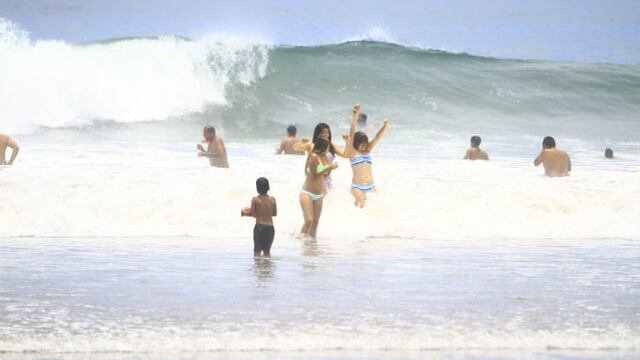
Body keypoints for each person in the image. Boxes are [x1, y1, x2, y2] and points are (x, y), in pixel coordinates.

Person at [345, 104, 389, 208]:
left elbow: (377, 137)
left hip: (371, 186)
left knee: (375, 210)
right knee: (361, 206)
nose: (365, 145)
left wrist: (385, 126)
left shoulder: (368, 150)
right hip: (357, 187)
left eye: (366, 142)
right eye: (362, 143)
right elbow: (351, 131)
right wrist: (355, 113)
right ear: (356, 143)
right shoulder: (353, 152)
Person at [299, 138, 338, 239]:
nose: (328, 149)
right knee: (308, 220)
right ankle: (301, 242)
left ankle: (312, 244)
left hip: (318, 194)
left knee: (315, 222)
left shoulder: (324, 157)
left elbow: (324, 176)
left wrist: (331, 169)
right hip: (307, 192)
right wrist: (329, 167)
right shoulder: (313, 156)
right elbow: (314, 174)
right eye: (327, 147)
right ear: (323, 147)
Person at [293, 123, 346, 190]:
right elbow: (295, 148)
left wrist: (347, 141)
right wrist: (301, 142)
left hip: (327, 181)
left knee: (328, 200)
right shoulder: (311, 145)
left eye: (327, 132)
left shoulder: (331, 146)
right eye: (323, 132)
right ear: (317, 133)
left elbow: (345, 155)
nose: (326, 134)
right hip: (313, 180)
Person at [242, 177, 277, 257]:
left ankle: (258, 269)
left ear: (257, 188)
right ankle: (267, 269)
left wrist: (244, 213)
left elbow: (251, 213)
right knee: (267, 252)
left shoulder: (255, 199)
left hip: (259, 228)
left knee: (257, 252)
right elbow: (274, 214)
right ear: (268, 187)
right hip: (270, 228)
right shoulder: (273, 199)